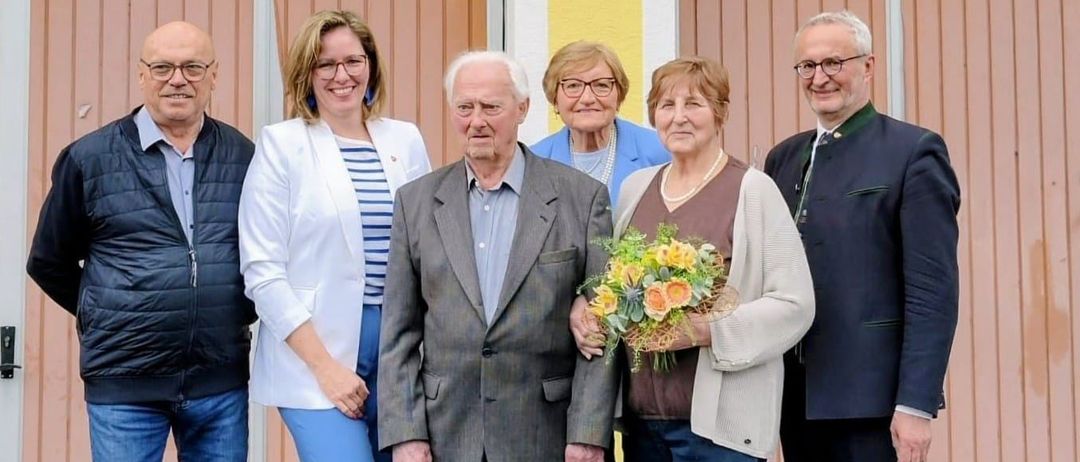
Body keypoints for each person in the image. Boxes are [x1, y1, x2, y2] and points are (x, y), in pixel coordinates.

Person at [26, 21, 255, 461]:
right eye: (163, 67)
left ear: (214, 75)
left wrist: (236, 308)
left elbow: (264, 251)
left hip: (219, 381)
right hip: (125, 385)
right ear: (142, 74)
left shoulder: (243, 156)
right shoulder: (88, 159)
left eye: (192, 67)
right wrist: (109, 311)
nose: (178, 79)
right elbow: (47, 261)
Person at [570, 56, 815, 461]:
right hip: (642, 424)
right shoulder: (637, 188)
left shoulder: (752, 190)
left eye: (694, 105)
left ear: (720, 113)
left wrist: (705, 331)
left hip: (719, 433)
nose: (678, 117)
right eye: (667, 106)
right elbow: (612, 281)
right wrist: (589, 307)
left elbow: (795, 305)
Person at [377, 51, 617, 462]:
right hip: (447, 434)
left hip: (548, 434)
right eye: (464, 108)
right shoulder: (415, 203)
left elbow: (601, 326)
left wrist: (589, 433)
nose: (477, 121)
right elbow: (398, 335)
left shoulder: (583, 198)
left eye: (491, 107)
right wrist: (406, 434)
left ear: (522, 109)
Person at [764, 11, 960, 462]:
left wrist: (915, 404)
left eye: (834, 62)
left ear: (868, 66)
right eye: (808, 66)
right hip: (794, 400)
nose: (820, 78)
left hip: (872, 404)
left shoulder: (913, 152)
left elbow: (933, 292)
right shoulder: (783, 158)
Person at [238, 10, 431, 462]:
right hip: (315, 357)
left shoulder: (405, 140)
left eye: (353, 61)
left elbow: (428, 247)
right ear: (307, 75)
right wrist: (325, 368)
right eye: (325, 64)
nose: (341, 75)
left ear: (371, 67)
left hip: (400, 351)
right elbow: (262, 272)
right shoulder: (281, 145)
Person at [531, 40, 670, 205]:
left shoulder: (660, 151)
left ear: (619, 95)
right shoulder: (535, 163)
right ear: (555, 99)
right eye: (573, 85)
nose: (588, 98)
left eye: (601, 85)